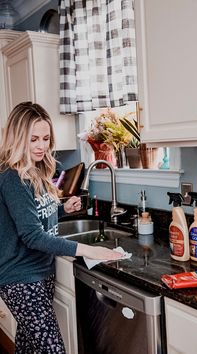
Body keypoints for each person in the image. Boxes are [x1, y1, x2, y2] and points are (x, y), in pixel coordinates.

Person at [0, 102, 122, 354]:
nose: (41, 146)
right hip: (20, 279)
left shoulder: (37, 170)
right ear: (17, 137)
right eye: (33, 139)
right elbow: (32, 235)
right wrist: (87, 250)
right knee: (52, 350)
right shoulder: (13, 177)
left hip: (41, 272)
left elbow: (33, 215)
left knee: (29, 346)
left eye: (45, 138)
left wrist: (62, 210)